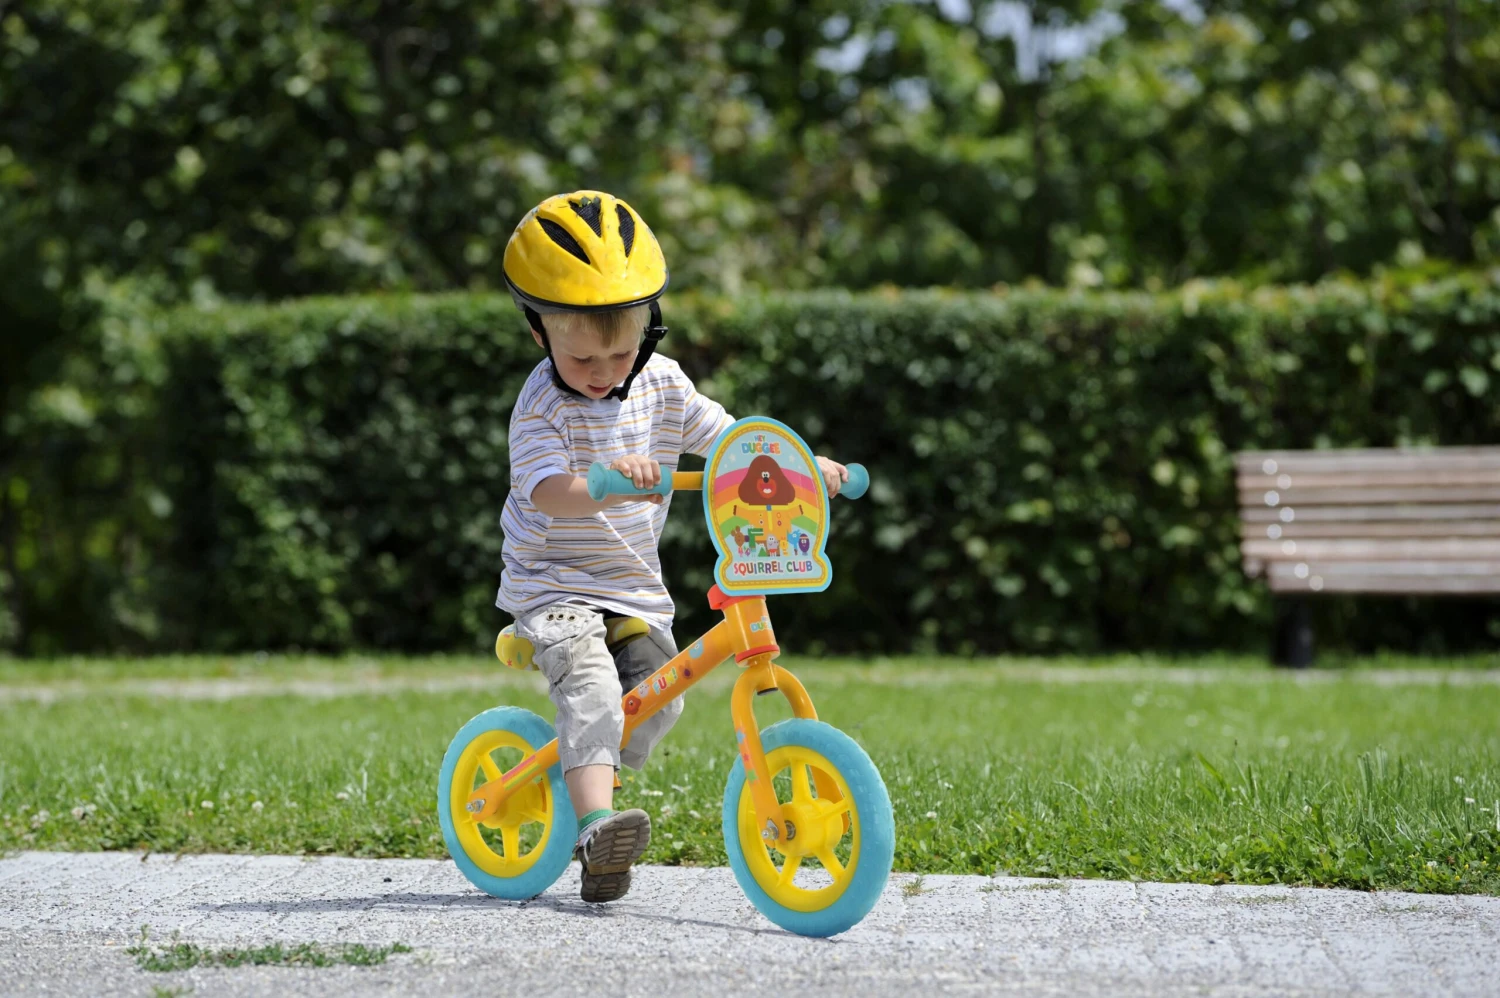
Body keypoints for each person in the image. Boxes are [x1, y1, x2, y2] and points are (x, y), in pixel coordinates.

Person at [498, 190, 848, 903]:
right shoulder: (540, 405)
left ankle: (583, 763)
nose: (603, 370)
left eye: (621, 350)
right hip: (553, 584)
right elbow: (547, 492)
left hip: (629, 586)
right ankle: (598, 830)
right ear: (540, 334)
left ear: (649, 330)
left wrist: (798, 467)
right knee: (596, 691)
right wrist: (601, 483)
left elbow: (728, 439)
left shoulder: (661, 381)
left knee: (659, 700)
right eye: (581, 355)